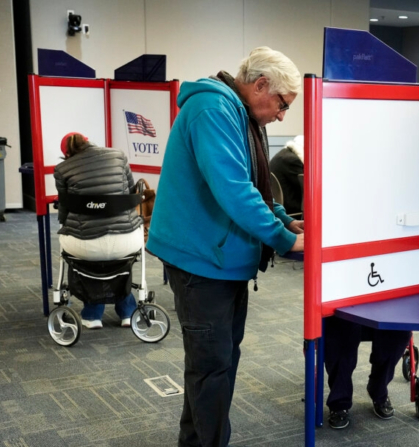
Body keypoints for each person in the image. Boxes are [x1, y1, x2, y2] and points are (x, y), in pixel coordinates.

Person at [146, 47, 304, 447]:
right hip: (202, 262)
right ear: (260, 85)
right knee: (212, 369)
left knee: (215, 365)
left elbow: (255, 183)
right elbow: (233, 191)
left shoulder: (242, 115)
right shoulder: (214, 111)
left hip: (224, 260)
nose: (283, 115)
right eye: (282, 104)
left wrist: (285, 220)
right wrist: (285, 239)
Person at [54, 132, 142, 329]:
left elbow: (64, 210)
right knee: (119, 258)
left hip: (85, 245)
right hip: (124, 240)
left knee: (79, 254)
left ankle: (92, 314)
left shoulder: (62, 169)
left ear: (67, 154)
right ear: (89, 142)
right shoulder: (118, 155)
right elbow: (129, 193)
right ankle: (128, 312)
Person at [324, 317, 412, 429]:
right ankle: (339, 400)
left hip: (384, 306)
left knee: (399, 330)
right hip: (345, 306)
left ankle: (378, 389)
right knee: (340, 329)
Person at [269, 135, 304, 216]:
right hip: (291, 208)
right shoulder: (292, 160)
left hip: (280, 205)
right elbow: (309, 187)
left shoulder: (283, 155)